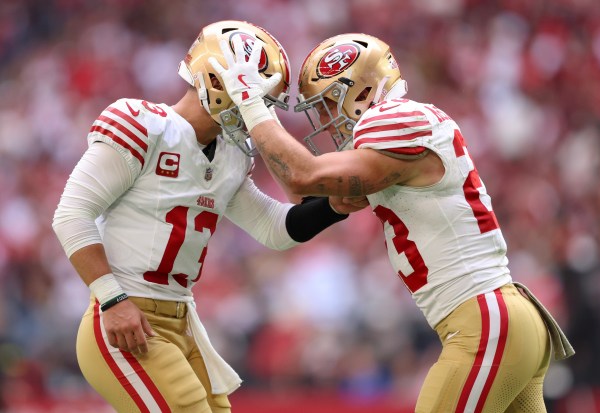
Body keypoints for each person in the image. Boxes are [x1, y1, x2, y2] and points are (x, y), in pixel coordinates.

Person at [211, 33, 575, 412]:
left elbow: (301, 175)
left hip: (486, 323)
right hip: (506, 319)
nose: (323, 120)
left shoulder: (394, 119)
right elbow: (299, 207)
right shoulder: (398, 142)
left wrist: (252, 105)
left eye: (327, 104)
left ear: (362, 91)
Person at [52, 21, 367, 413]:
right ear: (219, 81)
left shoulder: (232, 154)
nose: (260, 111)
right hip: (126, 320)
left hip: (182, 322)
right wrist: (112, 299)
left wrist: (334, 208)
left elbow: (273, 228)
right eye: (255, 96)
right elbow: (71, 214)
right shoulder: (144, 124)